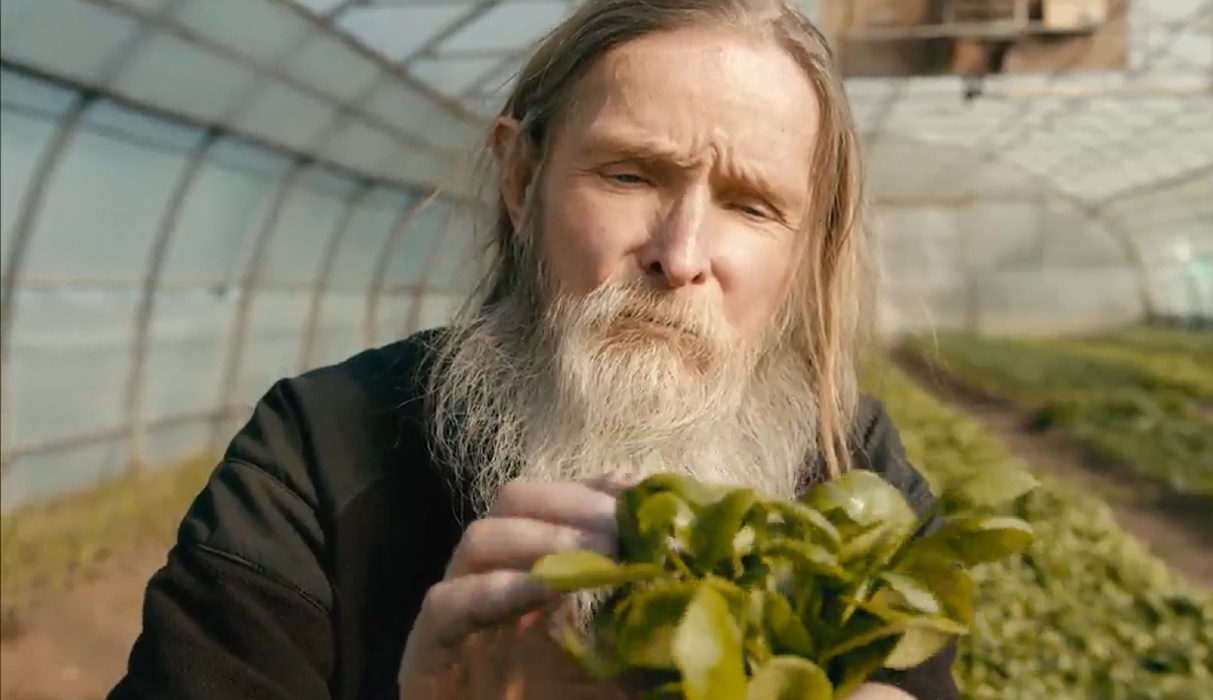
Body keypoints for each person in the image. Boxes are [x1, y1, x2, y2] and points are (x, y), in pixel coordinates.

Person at [106, 1, 957, 698]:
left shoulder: (855, 480)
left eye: (753, 206)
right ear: (521, 182)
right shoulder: (320, 456)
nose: (682, 254)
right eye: (629, 175)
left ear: (805, 247)